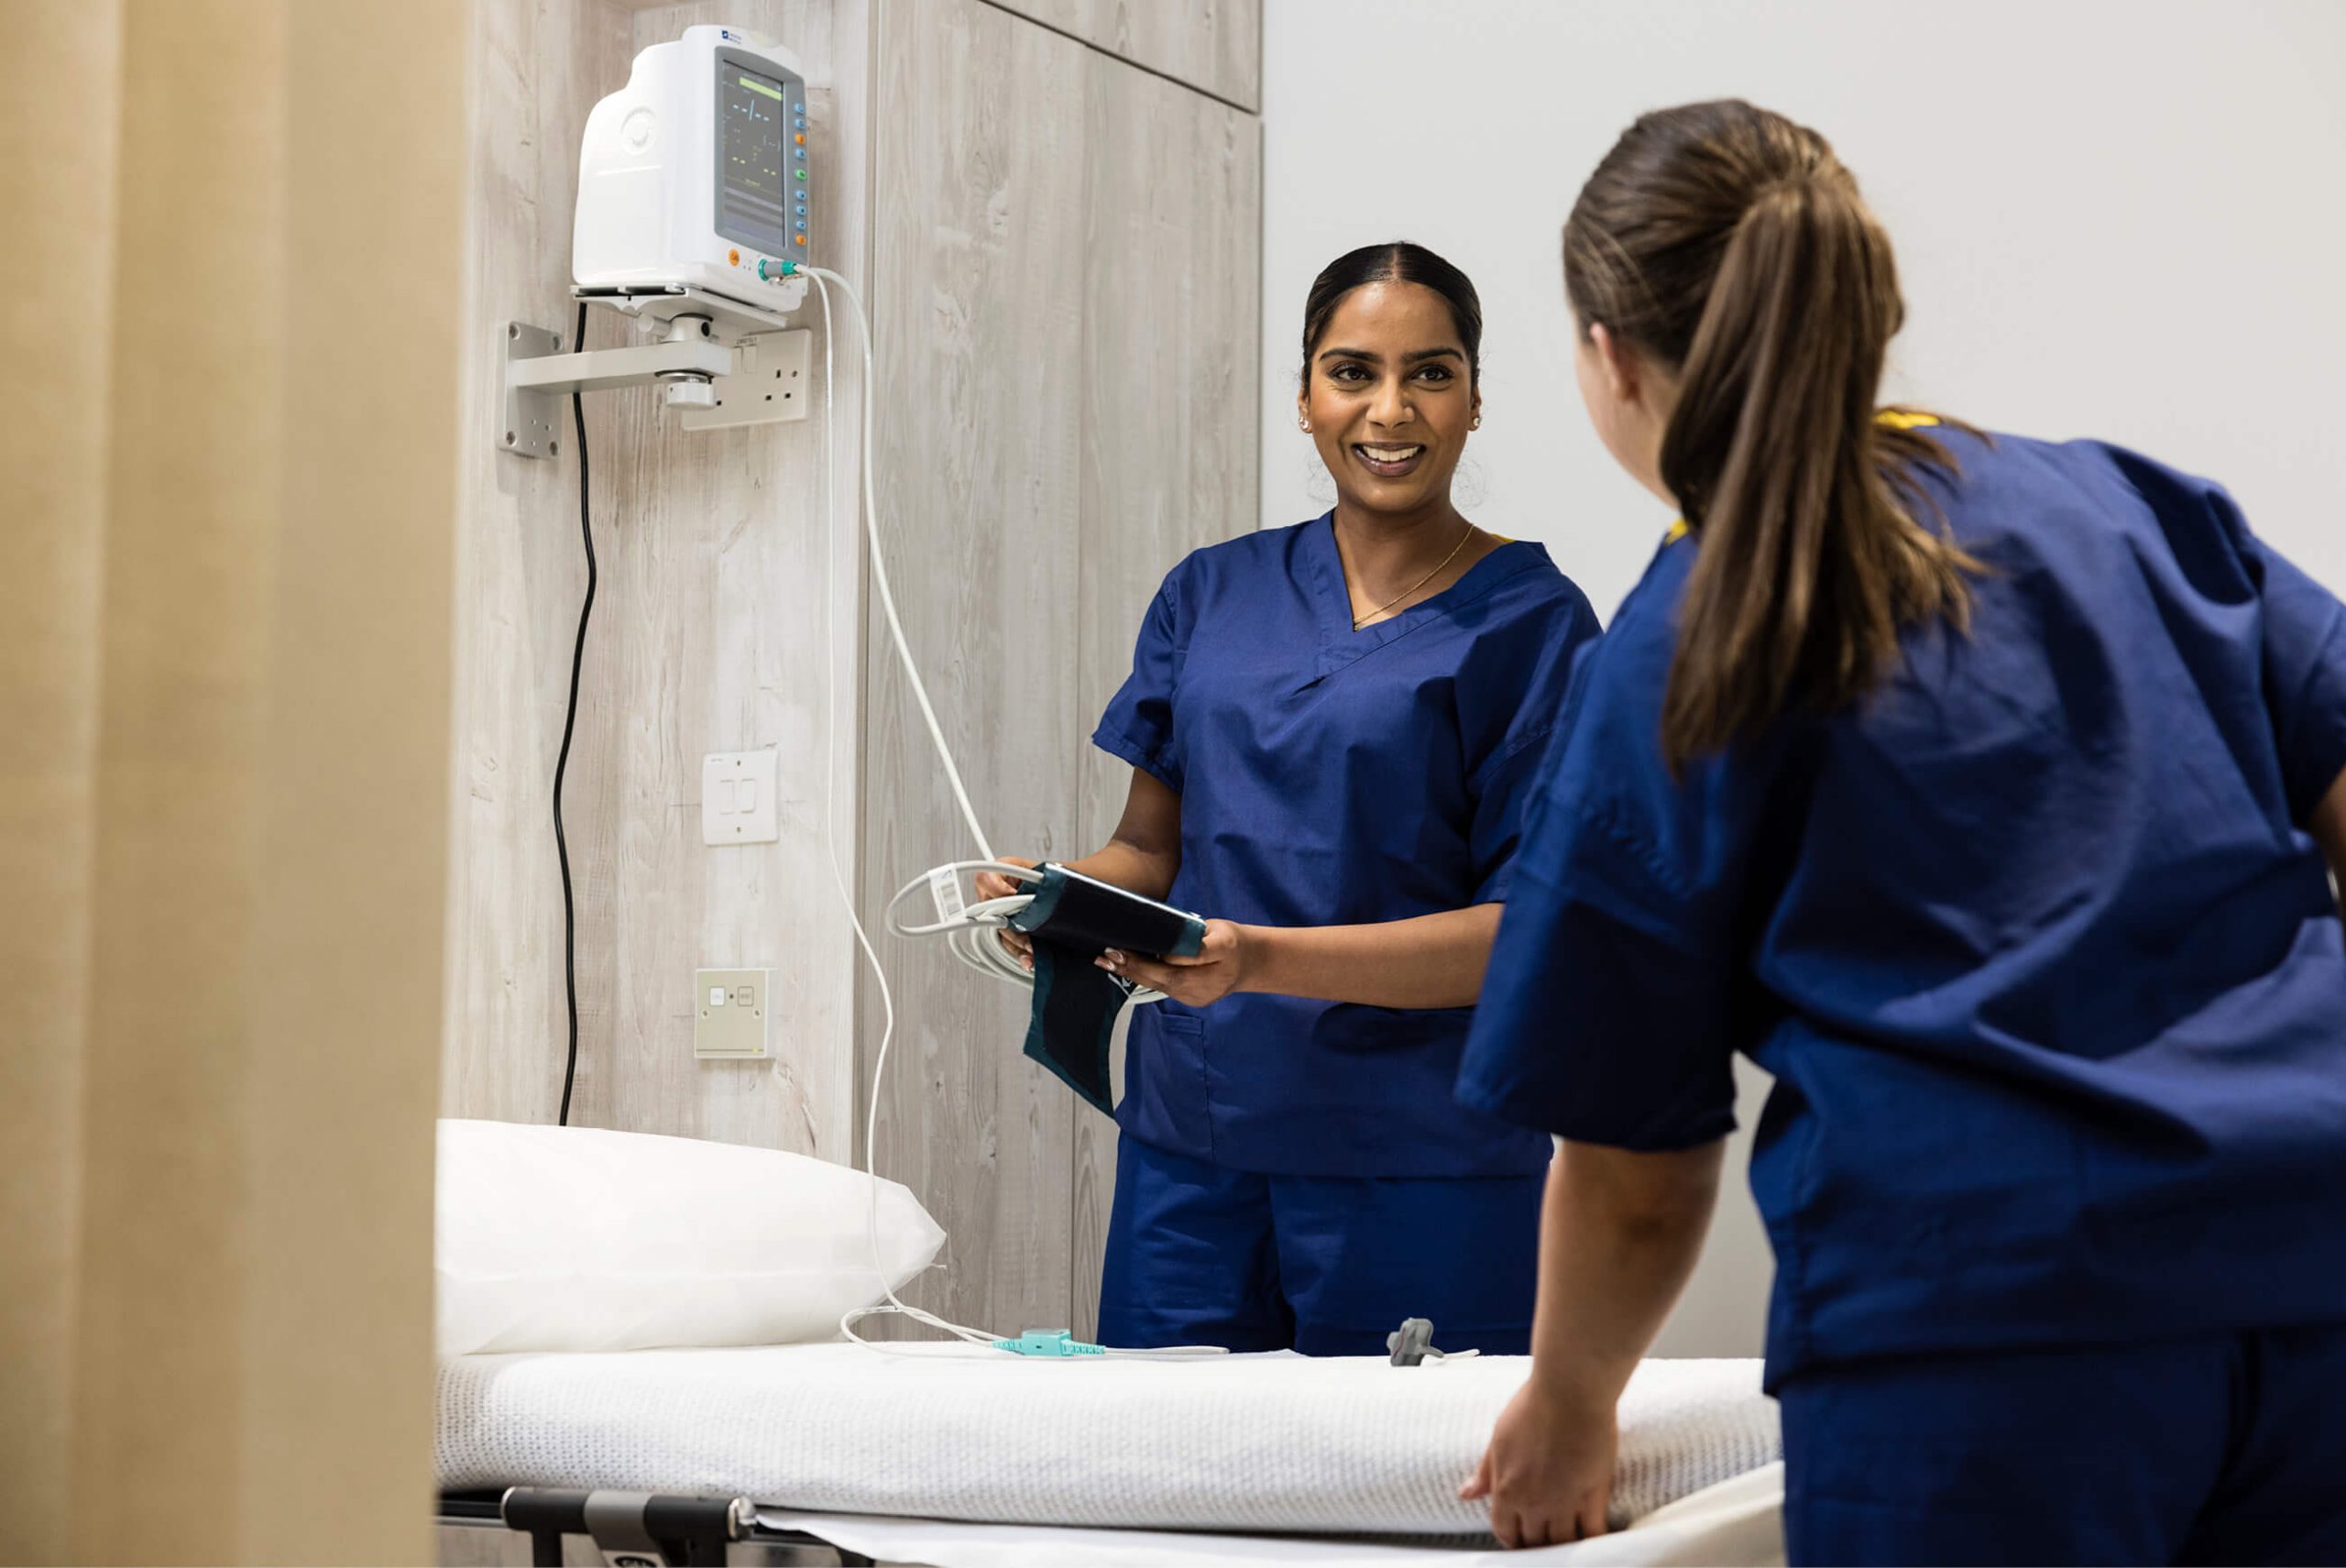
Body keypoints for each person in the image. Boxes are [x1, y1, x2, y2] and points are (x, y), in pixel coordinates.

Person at [1454, 100, 2346, 1562]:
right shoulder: (2123, 508)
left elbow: (1634, 1173)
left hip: (1983, 1339)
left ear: (1610, 358)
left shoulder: (1687, 634)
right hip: (2312, 1282)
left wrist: (1568, 1403)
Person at [978, 242, 1601, 1355]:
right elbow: (1145, 850)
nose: (1391, 409)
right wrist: (1063, 897)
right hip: (1193, 1146)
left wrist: (1256, 960)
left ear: (1472, 403)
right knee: (1169, 1495)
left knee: (1402, 1505)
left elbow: (1530, 938)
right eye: (1353, 371)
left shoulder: (1533, 624)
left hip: (1423, 1161)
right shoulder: (1210, 592)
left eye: (1432, 372)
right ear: (1305, 398)